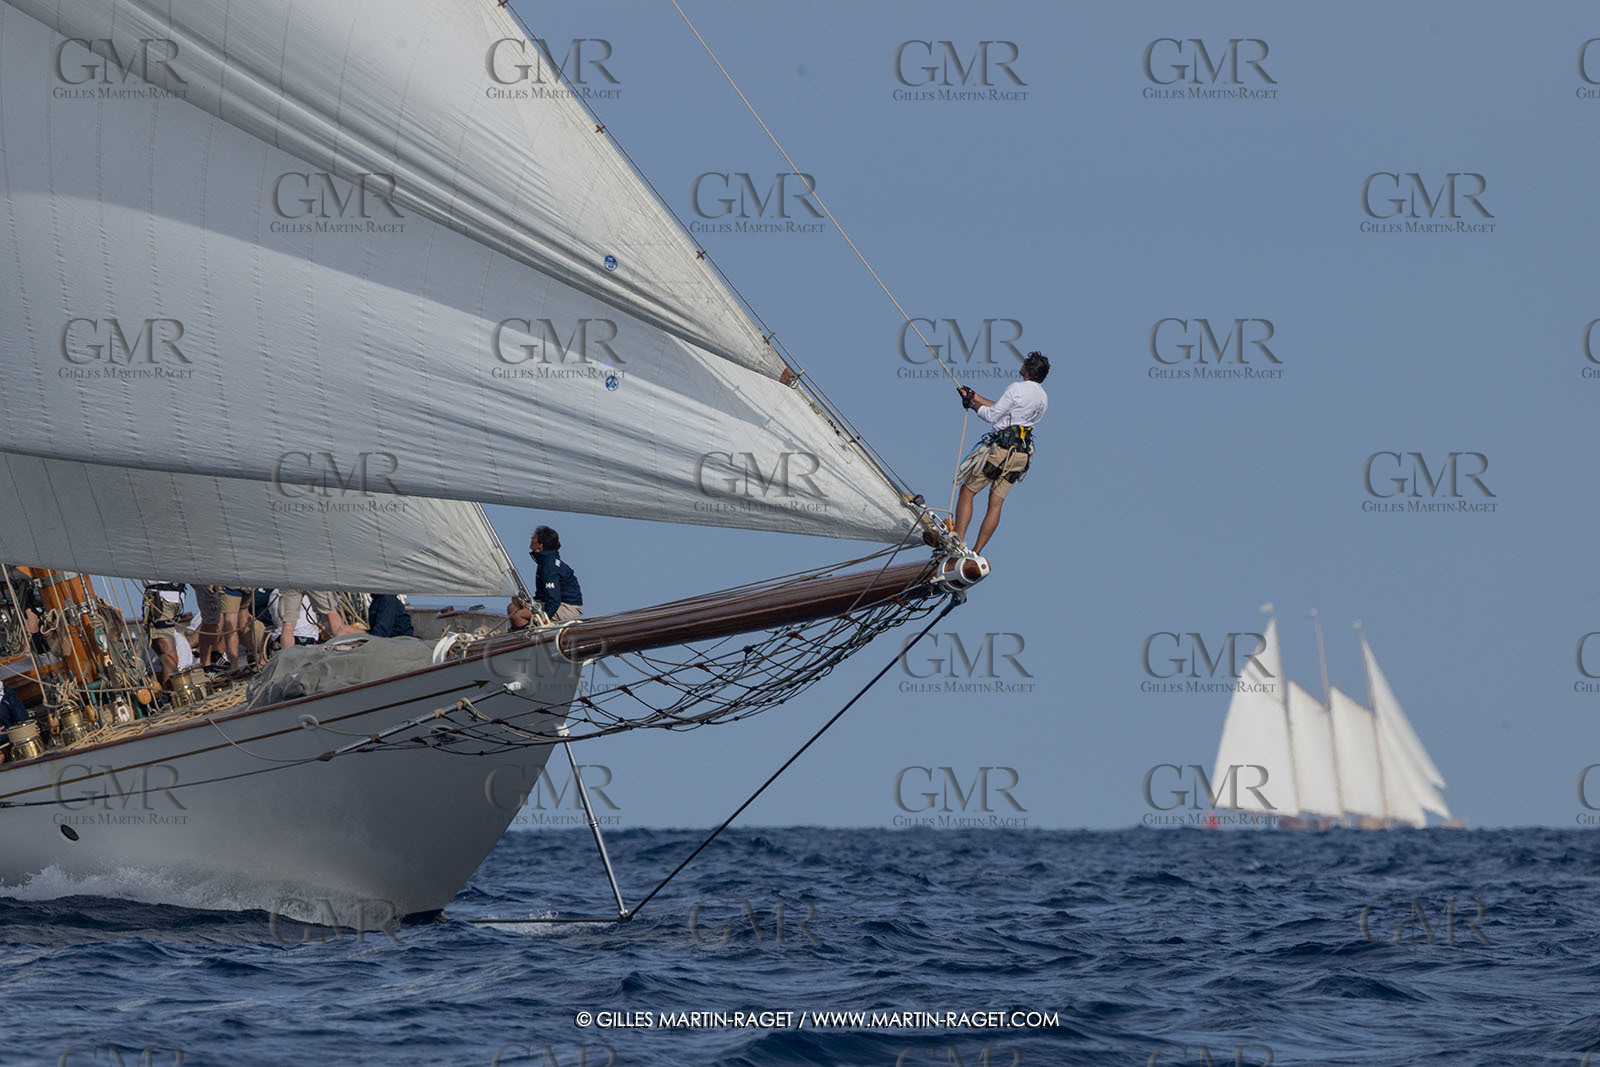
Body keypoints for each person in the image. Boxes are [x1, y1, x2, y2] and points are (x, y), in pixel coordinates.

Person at [953, 350, 1049, 554]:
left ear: (1027, 369)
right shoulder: (1042, 397)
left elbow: (991, 416)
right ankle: (976, 552)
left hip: (1002, 451)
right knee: (995, 503)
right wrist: (976, 396)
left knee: (968, 491)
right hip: (1021, 456)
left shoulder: (1017, 388)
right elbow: (1004, 411)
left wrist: (972, 405)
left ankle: (958, 543)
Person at [524, 526, 583, 624]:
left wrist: (544, 621)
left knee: (519, 615)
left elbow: (554, 600)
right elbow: (542, 595)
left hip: (565, 608)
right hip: (556, 604)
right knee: (514, 607)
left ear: (540, 545)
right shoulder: (546, 560)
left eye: (533, 538)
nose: (531, 540)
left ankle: (526, 636)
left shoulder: (549, 565)